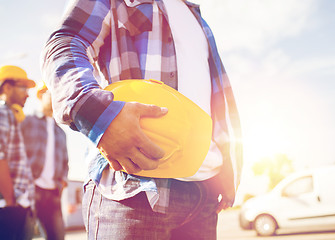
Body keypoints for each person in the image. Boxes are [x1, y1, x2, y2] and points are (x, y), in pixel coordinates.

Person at [41, 0, 242, 239]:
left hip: (205, 193)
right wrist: (95, 113)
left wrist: (228, 167)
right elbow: (65, 44)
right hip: (133, 188)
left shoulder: (195, 14)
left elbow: (217, 98)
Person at [21, 83, 69, 240]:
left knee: (57, 236)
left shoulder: (61, 132)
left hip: (53, 193)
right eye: (52, 92)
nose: (57, 96)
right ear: (41, 95)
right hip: (29, 189)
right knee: (22, 235)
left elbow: (65, 163)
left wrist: (62, 182)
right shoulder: (26, 121)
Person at [0, 65, 35, 240]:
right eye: (23, 87)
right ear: (6, 87)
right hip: (9, 208)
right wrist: (10, 202)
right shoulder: (2, 113)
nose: (27, 94)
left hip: (19, 204)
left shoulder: (12, 115)